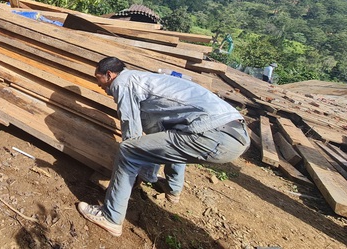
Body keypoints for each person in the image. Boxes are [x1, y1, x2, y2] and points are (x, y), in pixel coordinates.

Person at [77, 57, 250, 237]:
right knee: (176, 136)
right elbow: (160, 137)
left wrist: (134, 173)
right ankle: (172, 190)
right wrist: (147, 173)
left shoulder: (122, 83)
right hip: (236, 133)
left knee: (128, 151)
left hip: (213, 134)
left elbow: (132, 134)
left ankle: (110, 217)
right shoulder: (147, 80)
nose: (98, 84)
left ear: (109, 74)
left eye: (98, 78)